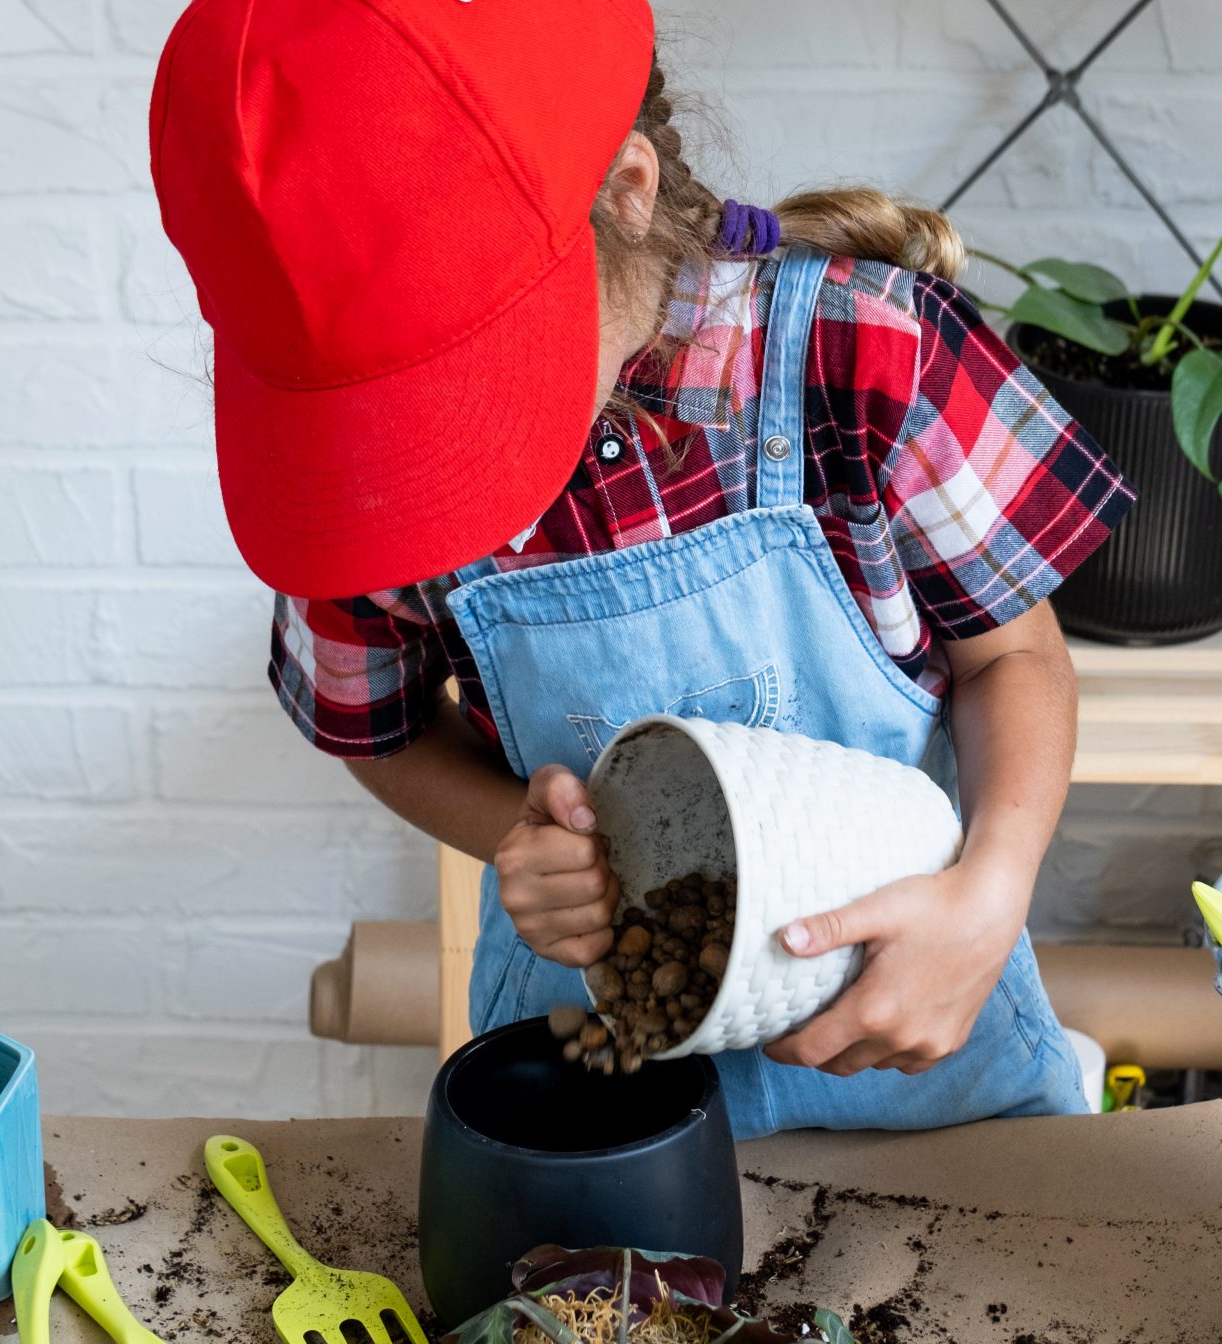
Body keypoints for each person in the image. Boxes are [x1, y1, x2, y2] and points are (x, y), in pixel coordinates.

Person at [148, 0, 1132, 1138]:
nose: (424, 466)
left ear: (627, 190)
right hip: (591, 1051)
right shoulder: (356, 479)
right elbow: (377, 730)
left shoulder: (868, 354)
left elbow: (1017, 654)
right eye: (385, 416)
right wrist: (524, 837)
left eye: (463, 389)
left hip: (921, 1022)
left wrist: (991, 889)